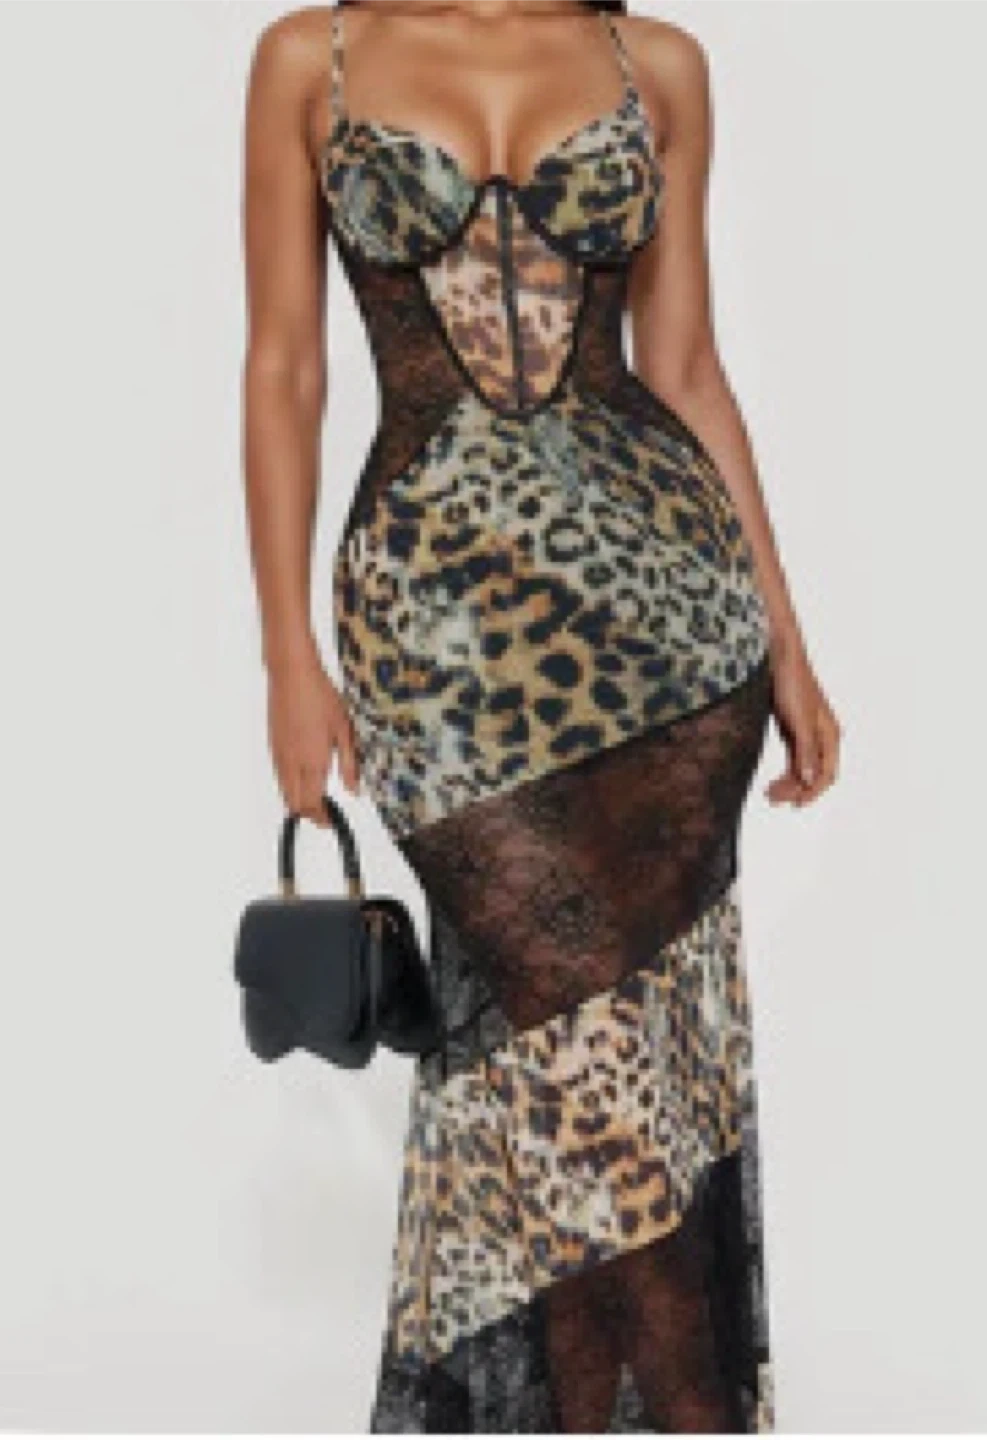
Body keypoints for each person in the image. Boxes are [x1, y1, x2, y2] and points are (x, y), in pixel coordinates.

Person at [241, 1, 840, 1430]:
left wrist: (787, 641)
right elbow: (284, 368)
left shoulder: (656, 65)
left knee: (631, 1073)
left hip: (672, 632)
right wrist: (285, 658)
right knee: (551, 1051)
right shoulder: (312, 59)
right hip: (436, 627)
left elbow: (685, 367)